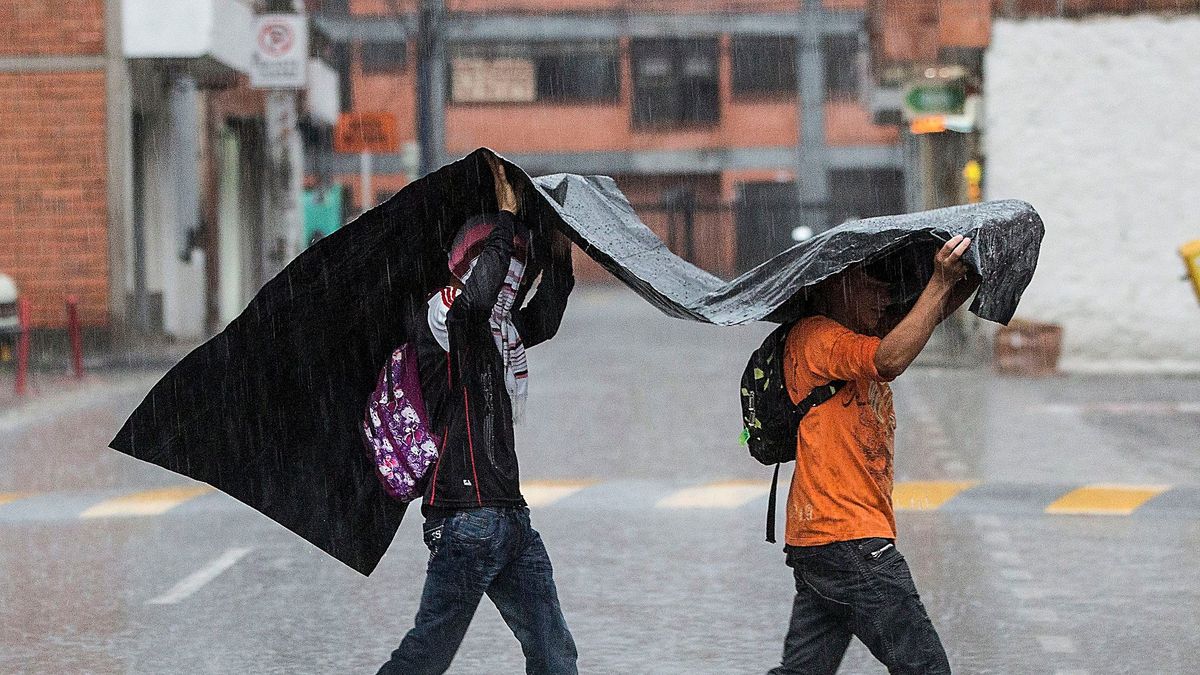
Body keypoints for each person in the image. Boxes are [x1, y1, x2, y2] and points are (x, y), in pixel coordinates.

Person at [377, 155, 577, 674]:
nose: (510, 283)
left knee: (554, 653)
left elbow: (545, 317)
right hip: (463, 519)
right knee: (426, 654)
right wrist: (507, 220)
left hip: (509, 519)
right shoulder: (445, 320)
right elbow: (478, 299)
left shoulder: (497, 334)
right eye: (502, 266)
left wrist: (558, 249)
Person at [769, 235, 978, 675]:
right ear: (835, 285)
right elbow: (889, 361)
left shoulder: (850, 336)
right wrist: (940, 282)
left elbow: (919, 322)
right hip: (849, 539)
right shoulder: (818, 337)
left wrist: (968, 274)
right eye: (872, 283)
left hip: (820, 542)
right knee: (925, 668)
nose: (885, 294)